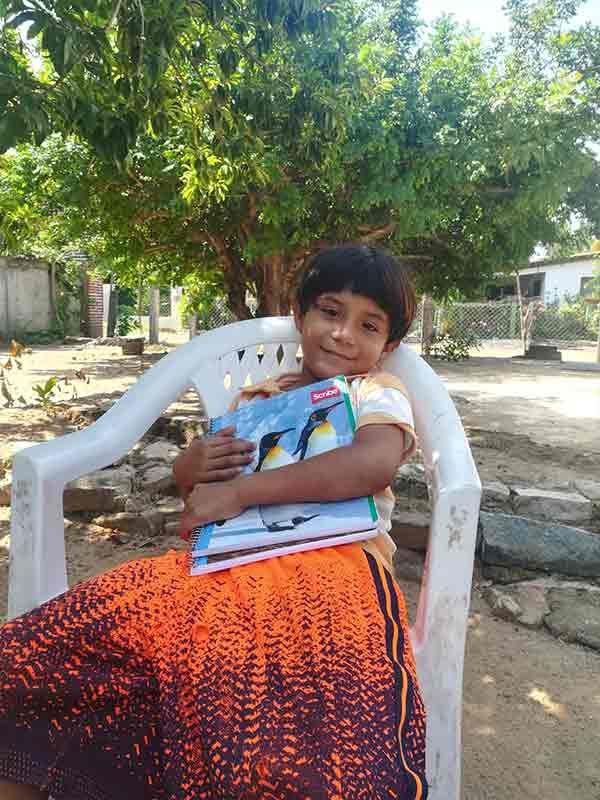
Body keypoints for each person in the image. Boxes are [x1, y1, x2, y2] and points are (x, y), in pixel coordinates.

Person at [0, 243, 428, 800]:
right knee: (40, 654)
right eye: (330, 311)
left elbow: (372, 464)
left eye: (367, 325)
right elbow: (204, 503)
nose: (344, 334)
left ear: (387, 346)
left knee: (305, 736)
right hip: (226, 571)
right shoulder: (257, 401)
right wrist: (190, 468)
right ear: (300, 315)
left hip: (336, 571)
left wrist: (242, 491)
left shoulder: (374, 391)